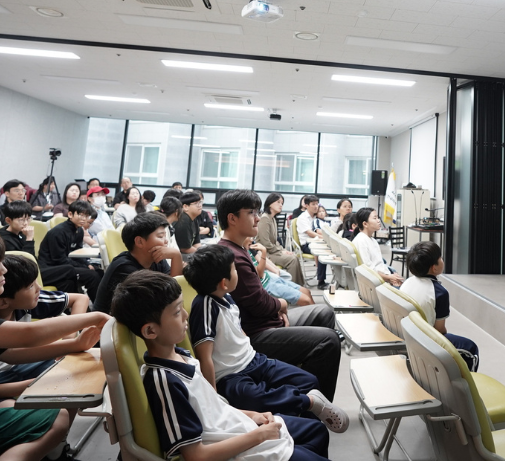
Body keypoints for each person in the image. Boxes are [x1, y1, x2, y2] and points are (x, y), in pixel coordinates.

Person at [111, 271, 331, 461]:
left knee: (316, 431)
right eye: (177, 312)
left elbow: (213, 408)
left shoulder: (181, 356)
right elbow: (196, 455)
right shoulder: (165, 382)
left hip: (237, 427)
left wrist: (251, 415)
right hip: (236, 449)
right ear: (151, 331)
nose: (185, 315)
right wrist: (259, 435)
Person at [184, 246, 348, 431]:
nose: (237, 273)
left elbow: (238, 332)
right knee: (253, 397)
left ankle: (306, 423)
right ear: (224, 282)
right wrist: (213, 395)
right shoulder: (205, 306)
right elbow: (204, 356)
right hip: (230, 376)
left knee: (309, 381)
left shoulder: (227, 298)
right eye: (234, 270)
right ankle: (308, 403)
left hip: (255, 360)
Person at [217, 190, 341, 400]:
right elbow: (259, 303)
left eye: (257, 212)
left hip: (267, 320)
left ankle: (304, 383)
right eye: (251, 213)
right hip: (257, 333)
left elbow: (259, 294)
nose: (257, 218)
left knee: (323, 313)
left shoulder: (240, 249)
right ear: (232, 218)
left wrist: (277, 308)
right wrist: (281, 305)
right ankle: (313, 405)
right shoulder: (233, 256)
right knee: (328, 341)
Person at [0, 239, 110, 461]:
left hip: (11, 376)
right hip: (6, 382)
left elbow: (10, 354)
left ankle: (57, 450)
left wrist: (73, 345)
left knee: (67, 377)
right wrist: (96, 317)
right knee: (58, 412)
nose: (3, 269)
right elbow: (30, 335)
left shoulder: (25, 302)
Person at [0, 254, 92, 397]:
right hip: (5, 378)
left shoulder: (26, 302)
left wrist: (69, 340)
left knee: (75, 370)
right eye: (31, 286)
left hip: (22, 366)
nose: (39, 287)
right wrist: (36, 384)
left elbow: (80, 299)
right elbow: (29, 335)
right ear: (4, 302)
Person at [401, 242, 479, 371]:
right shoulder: (439, 292)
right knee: (470, 348)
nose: (442, 260)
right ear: (434, 268)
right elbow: (440, 330)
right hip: (424, 340)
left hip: (406, 333)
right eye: (440, 258)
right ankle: (466, 383)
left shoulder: (406, 283)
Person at [94, 212, 183, 314]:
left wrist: (176, 256)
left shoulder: (157, 259)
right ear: (139, 242)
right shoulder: (124, 268)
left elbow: (175, 289)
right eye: (160, 236)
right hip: (110, 322)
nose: (166, 241)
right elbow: (167, 298)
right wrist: (177, 255)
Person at [38, 200, 102, 300]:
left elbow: (78, 253)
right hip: (51, 268)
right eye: (81, 215)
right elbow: (59, 259)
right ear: (70, 214)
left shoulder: (79, 231)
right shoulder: (58, 232)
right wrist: (84, 267)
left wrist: (87, 264)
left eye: (86, 216)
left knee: (99, 271)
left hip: (66, 265)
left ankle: (99, 305)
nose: (84, 219)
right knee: (92, 275)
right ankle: (98, 306)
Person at [257, 194, 303, 285]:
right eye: (278, 202)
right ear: (270, 203)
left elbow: (275, 241)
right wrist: (280, 251)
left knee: (294, 257)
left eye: (282, 203)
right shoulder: (264, 218)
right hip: (265, 253)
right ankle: (292, 286)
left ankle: (298, 286)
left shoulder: (272, 219)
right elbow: (265, 243)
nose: (281, 205)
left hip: (272, 251)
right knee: (292, 260)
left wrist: (283, 250)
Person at [352, 208, 403, 287]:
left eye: (378, 218)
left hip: (383, 278)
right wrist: (389, 278)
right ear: (365, 224)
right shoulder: (361, 241)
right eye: (375, 218)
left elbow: (379, 264)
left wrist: (392, 276)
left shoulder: (372, 240)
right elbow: (368, 271)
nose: (378, 220)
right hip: (377, 283)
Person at [296, 196, 327, 289]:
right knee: (321, 253)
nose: (316, 206)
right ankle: (321, 281)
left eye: (317, 204)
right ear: (306, 205)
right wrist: (324, 237)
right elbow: (310, 233)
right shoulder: (302, 218)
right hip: (306, 245)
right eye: (313, 204)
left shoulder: (316, 217)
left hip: (317, 242)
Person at [175, 191, 203, 258]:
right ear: (185, 207)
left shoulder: (194, 218)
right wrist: (202, 254)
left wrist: (203, 252)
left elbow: (196, 243)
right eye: (196, 203)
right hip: (179, 255)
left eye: (200, 202)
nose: (200, 205)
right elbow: (185, 249)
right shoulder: (183, 220)